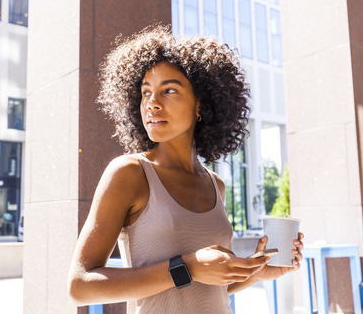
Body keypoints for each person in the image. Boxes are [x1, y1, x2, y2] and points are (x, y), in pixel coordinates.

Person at [68, 25, 304, 313]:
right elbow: (80, 286)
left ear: (200, 105)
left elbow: (207, 288)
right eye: (145, 92)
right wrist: (188, 266)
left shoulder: (215, 185)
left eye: (169, 90)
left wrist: (257, 271)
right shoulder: (129, 173)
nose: (152, 103)